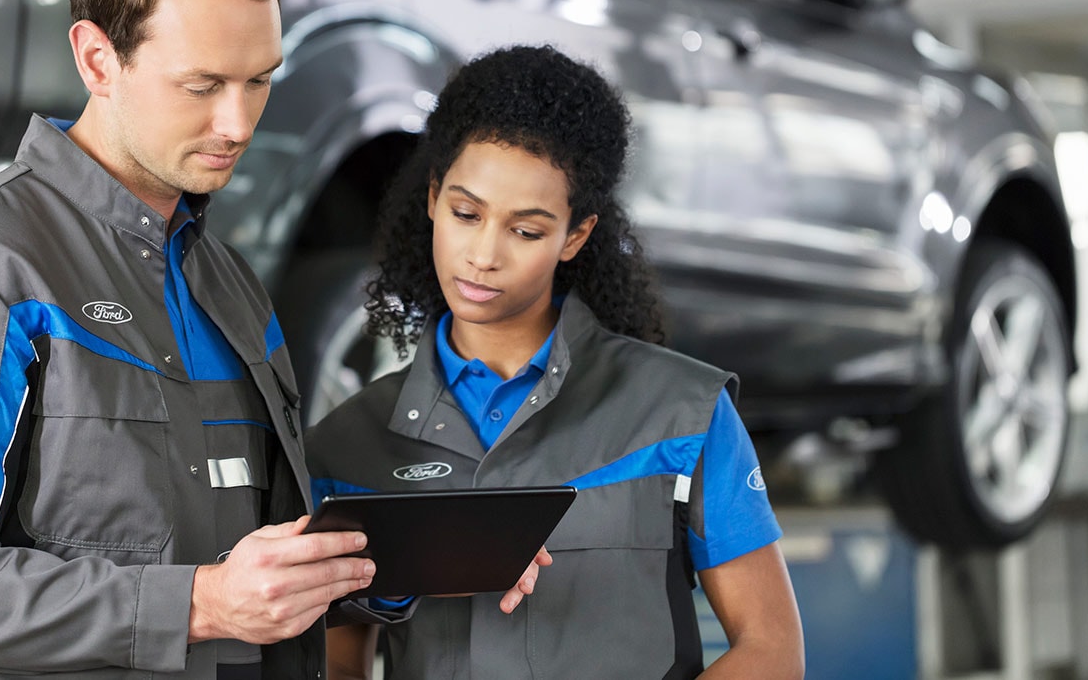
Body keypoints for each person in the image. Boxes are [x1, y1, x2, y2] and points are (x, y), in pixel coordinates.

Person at [0, 0, 436, 679]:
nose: (237, 123)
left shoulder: (231, 288)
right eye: (202, 86)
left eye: (259, 79)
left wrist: (400, 565)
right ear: (97, 58)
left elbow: (251, 567)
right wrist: (199, 605)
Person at [306, 45, 806, 679]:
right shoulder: (348, 447)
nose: (483, 255)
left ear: (575, 234)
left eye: (526, 230)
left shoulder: (685, 415)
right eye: (466, 214)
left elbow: (771, 651)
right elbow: (337, 667)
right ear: (433, 198)